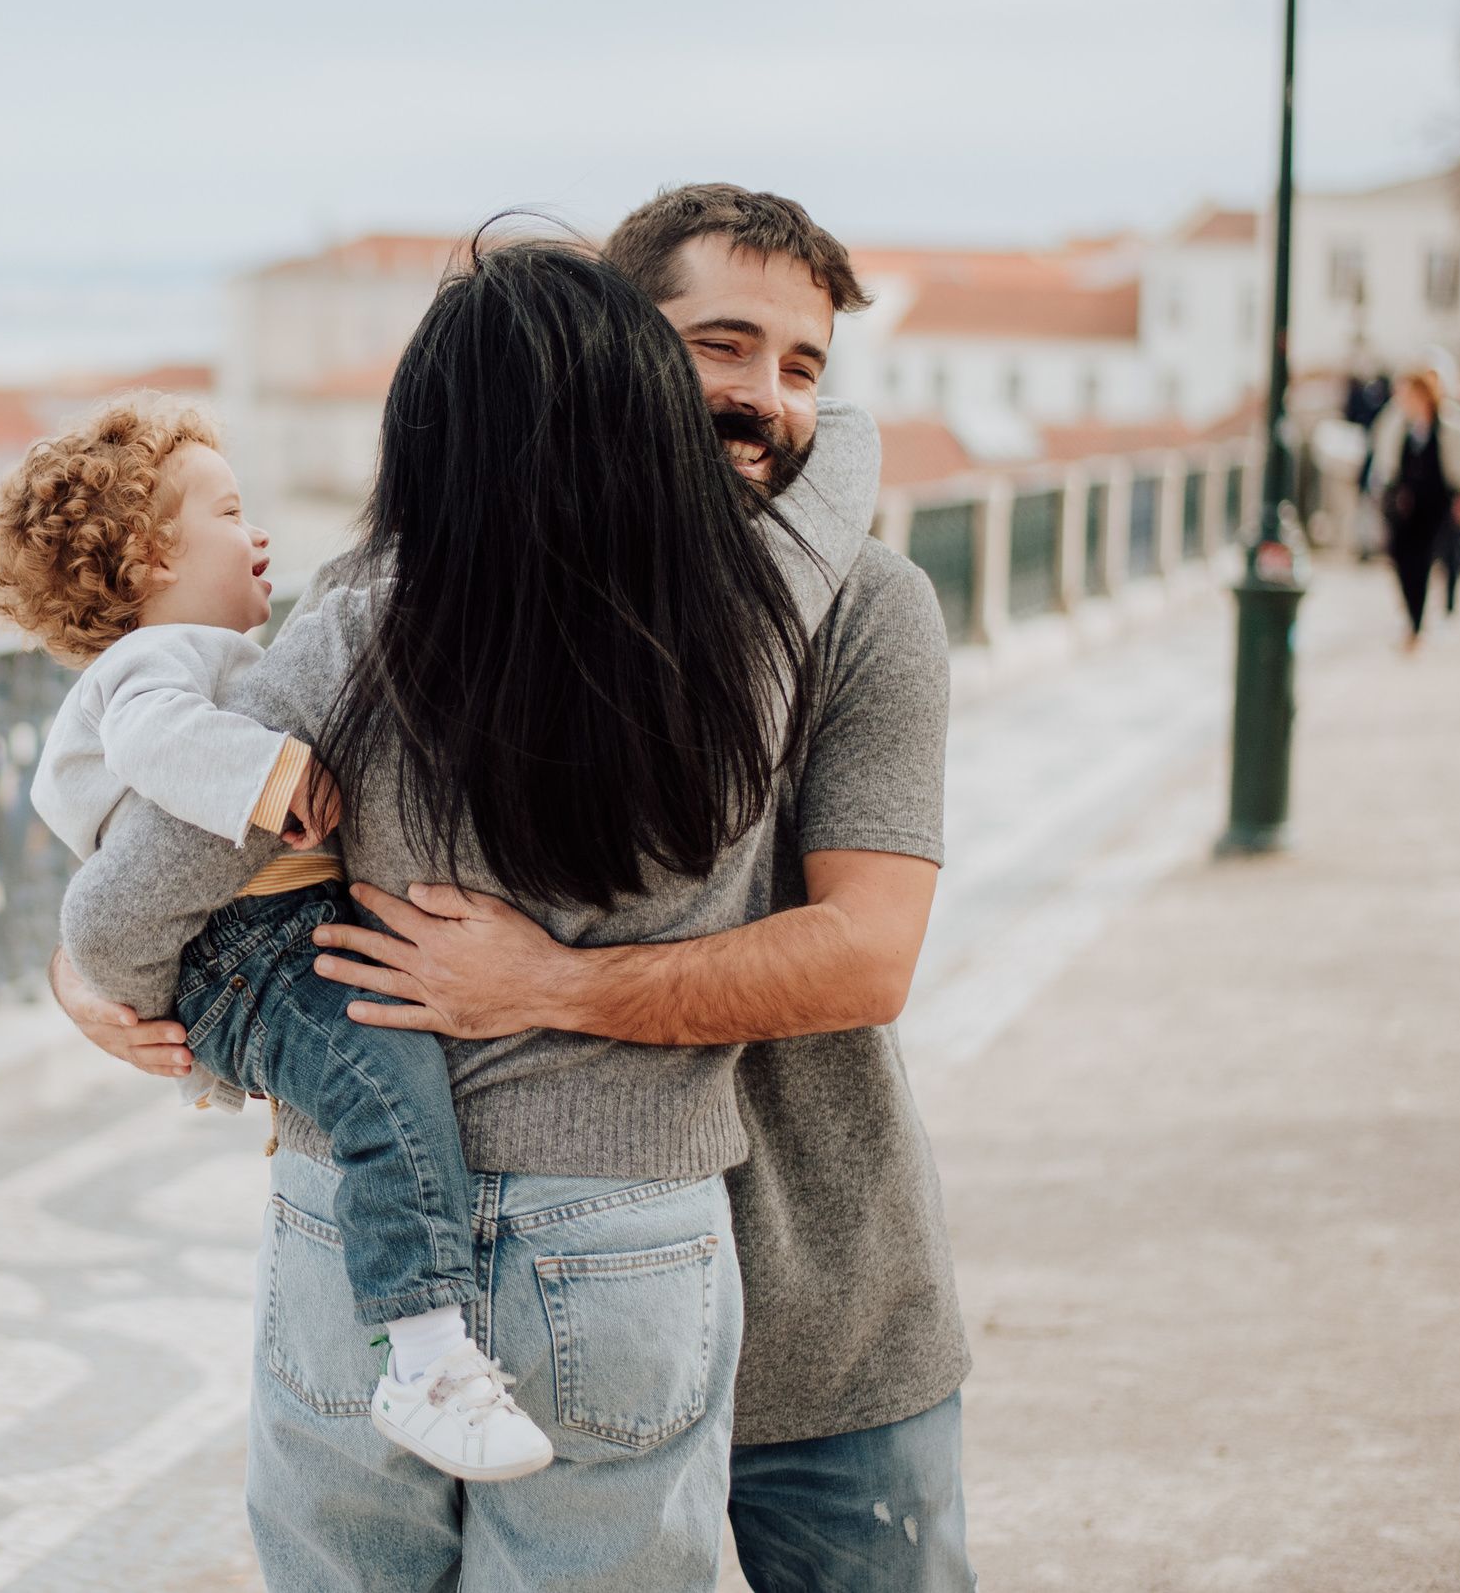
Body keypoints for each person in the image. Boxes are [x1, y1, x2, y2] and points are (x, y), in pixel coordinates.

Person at [57, 188, 966, 1592]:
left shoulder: (370, 621)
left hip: (747, 1270)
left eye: (806, 371)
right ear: (620, 356)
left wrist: (109, 970)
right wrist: (80, 986)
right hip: (640, 1224)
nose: (767, 400)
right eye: (720, 348)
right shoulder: (751, 623)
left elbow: (868, 955)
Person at [0, 391, 556, 1481]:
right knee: (383, 1085)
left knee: (382, 1074)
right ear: (145, 560)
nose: (258, 535)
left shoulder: (199, 651)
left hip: (270, 935)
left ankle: (426, 1348)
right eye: (229, 511)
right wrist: (268, 769)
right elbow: (159, 744)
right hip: (246, 942)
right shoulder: (151, 664)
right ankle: (424, 1359)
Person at [1368, 365, 1460, 650]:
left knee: (1446, 556)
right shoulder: (1401, 424)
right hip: (1409, 505)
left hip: (1442, 502)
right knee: (1404, 557)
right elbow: (1385, 457)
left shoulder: (1451, 425)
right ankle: (1414, 618)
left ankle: (1441, 614)